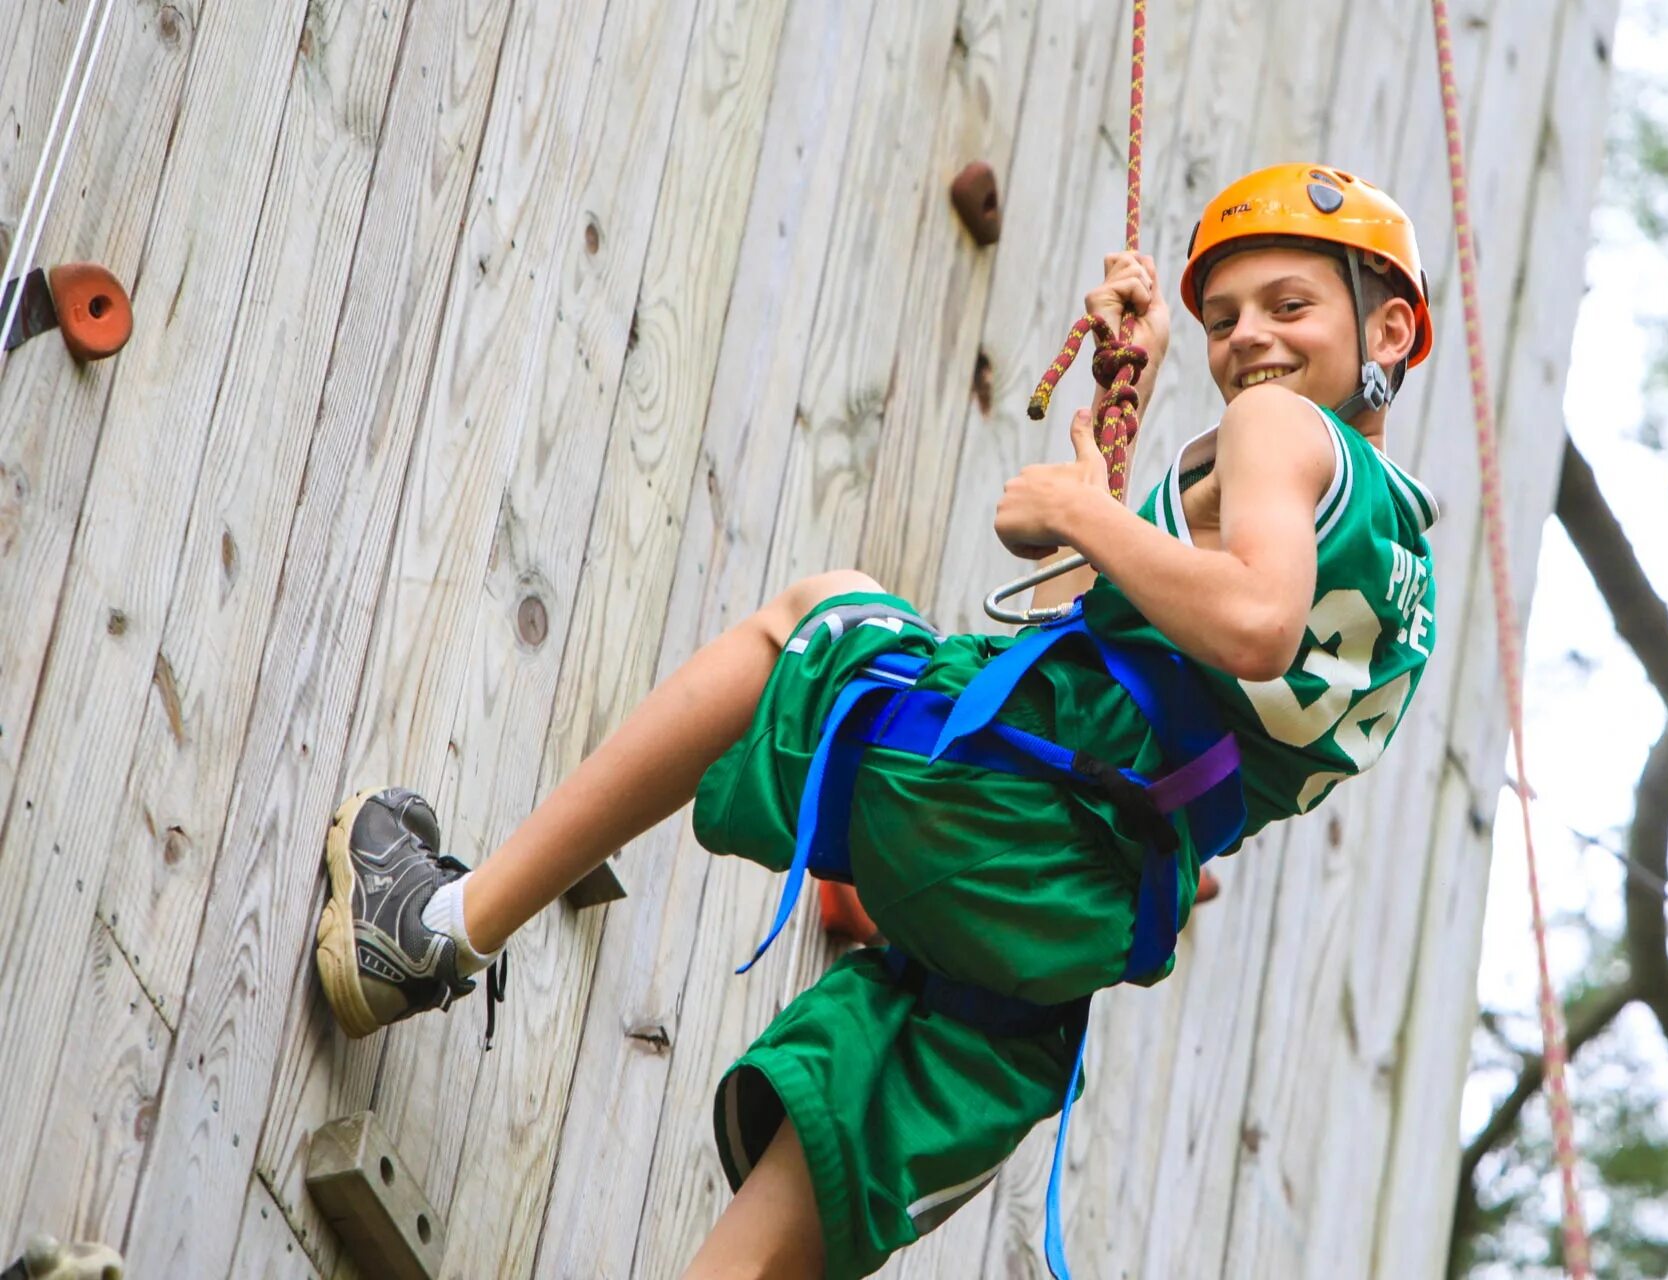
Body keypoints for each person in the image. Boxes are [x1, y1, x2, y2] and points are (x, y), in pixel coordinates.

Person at [312, 162, 1443, 1279]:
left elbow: (1248, 621)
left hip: (1010, 824)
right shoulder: (1405, 577)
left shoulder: (1277, 433)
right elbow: (1118, 663)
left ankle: (436, 930)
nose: (1249, 339)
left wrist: (1075, 513)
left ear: (1388, 330)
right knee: (832, 1134)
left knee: (812, 616)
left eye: (1289, 304)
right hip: (1061, 935)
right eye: (1223, 316)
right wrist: (1116, 429)